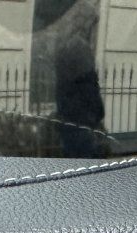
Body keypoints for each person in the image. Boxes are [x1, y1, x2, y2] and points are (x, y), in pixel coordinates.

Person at [53, 1, 105, 158]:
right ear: (86, 23)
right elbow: (89, 87)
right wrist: (99, 112)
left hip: (67, 117)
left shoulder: (63, 45)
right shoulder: (80, 48)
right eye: (93, 24)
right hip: (82, 121)